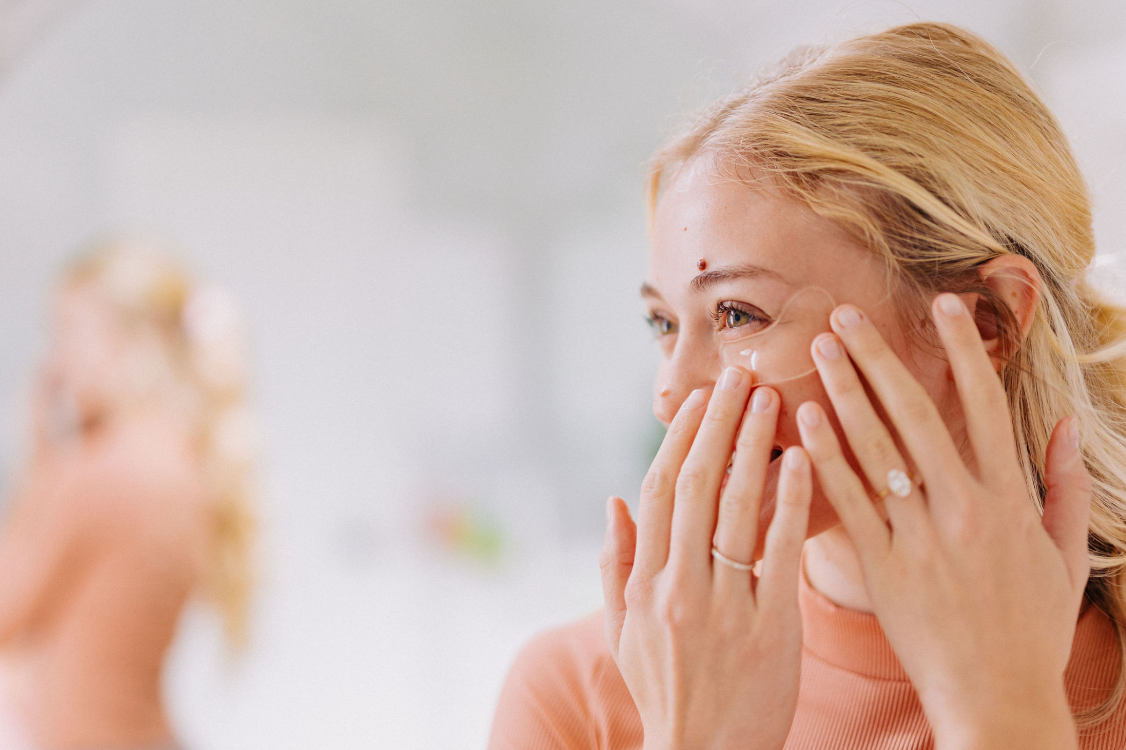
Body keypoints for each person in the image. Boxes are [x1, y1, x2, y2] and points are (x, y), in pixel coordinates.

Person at [488, 22, 1126, 750]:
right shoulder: (579, 696)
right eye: (662, 323)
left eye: (736, 314)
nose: (668, 395)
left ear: (987, 322)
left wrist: (1004, 718)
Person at [0, 243, 255, 750]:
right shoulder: (184, 463)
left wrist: (44, 457)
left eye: (68, 333)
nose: (56, 362)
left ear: (133, 342)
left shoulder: (101, 471)